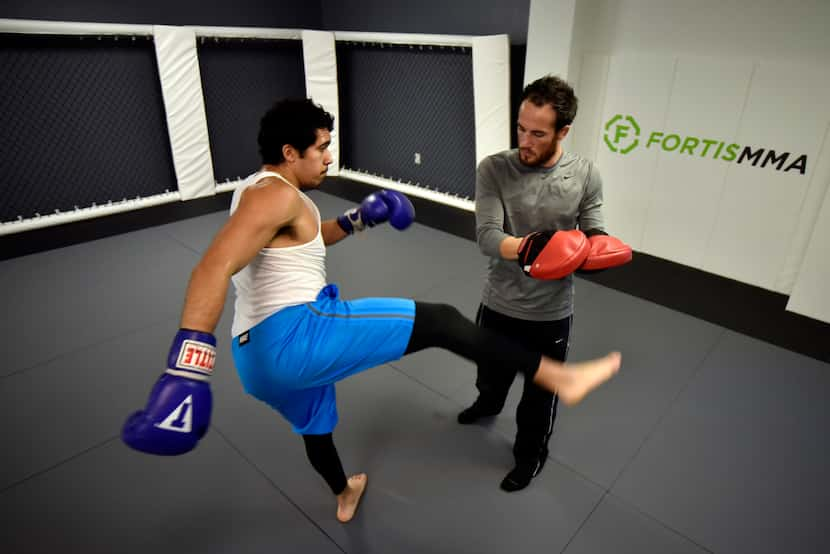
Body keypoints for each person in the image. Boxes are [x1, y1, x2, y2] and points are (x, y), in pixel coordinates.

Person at [121, 97, 621, 523]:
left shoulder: (259, 192)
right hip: (297, 334)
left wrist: (363, 219)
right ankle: (556, 377)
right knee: (441, 319)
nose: (328, 157)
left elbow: (306, 241)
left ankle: (343, 493)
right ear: (289, 152)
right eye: (320, 148)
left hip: (257, 362)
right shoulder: (274, 197)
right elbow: (211, 267)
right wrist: (186, 371)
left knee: (315, 423)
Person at [457, 75, 631, 492]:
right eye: (520, 127)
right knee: (490, 375)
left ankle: (530, 455)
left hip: (551, 313)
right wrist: (537, 248)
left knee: (539, 397)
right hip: (498, 300)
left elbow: (593, 231)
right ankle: (487, 403)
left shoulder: (586, 175)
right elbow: (487, 236)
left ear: (563, 131)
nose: (525, 140)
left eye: (537, 133)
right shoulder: (495, 168)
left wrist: (595, 255)